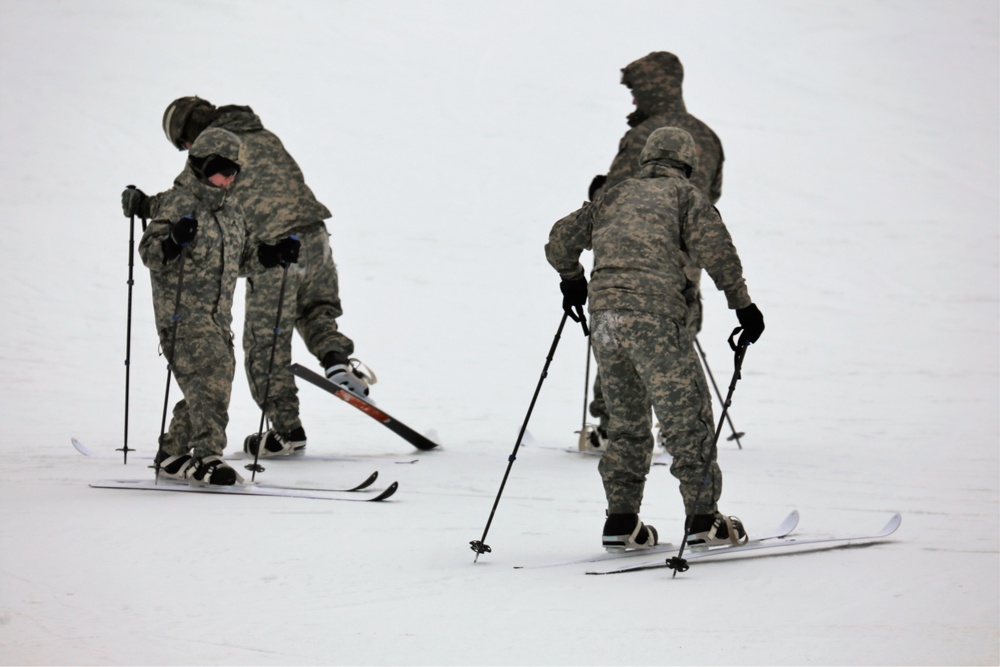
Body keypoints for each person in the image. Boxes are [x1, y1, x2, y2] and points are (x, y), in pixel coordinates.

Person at [545, 126, 765, 549]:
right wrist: (743, 306)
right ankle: (704, 520)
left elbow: (559, 243)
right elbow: (717, 250)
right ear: (688, 163)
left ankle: (621, 522)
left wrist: (572, 282)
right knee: (687, 420)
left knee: (626, 424)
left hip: (605, 321)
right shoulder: (684, 196)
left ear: (646, 158)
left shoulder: (611, 195)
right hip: (655, 318)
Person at [126, 97, 373, 460]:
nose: (187, 150)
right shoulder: (263, 134)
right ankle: (335, 358)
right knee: (316, 309)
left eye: (182, 144)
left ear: (189, 134)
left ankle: (287, 429)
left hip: (270, 243)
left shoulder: (216, 149)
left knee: (266, 341)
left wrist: (144, 204)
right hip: (314, 236)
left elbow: (187, 199)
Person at [584, 51, 725, 451]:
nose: (632, 99)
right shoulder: (707, 137)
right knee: (676, 335)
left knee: (620, 333)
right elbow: (711, 195)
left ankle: (615, 429)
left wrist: (598, 193)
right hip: (685, 261)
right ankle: (679, 427)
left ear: (650, 88)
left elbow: (616, 199)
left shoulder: (646, 135)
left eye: (635, 89)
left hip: (631, 260)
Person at [133, 128, 249, 486]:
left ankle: (171, 454)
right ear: (201, 164)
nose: (227, 179)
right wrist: (172, 239)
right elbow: (149, 253)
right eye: (222, 170)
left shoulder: (231, 212)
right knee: (212, 374)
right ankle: (208, 457)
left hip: (217, 319)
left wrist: (269, 255)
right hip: (181, 317)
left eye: (234, 173)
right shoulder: (178, 202)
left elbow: (239, 261)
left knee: (209, 384)